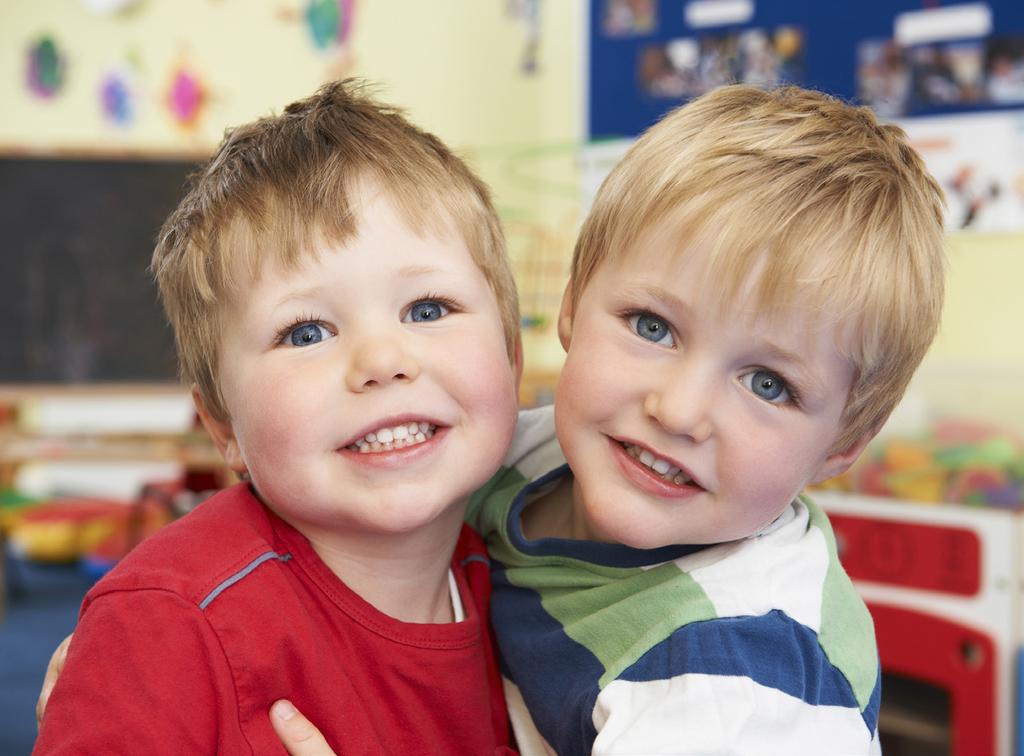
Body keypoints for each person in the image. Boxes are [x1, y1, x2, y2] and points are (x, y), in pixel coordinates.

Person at [264, 84, 946, 755]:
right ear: (572, 302)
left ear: (845, 444)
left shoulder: (735, 686)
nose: (677, 411)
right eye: (652, 326)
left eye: (767, 384)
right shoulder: (521, 454)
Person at [33, 79, 523, 755]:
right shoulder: (164, 626)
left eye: (428, 309)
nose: (382, 359)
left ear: (513, 355)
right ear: (223, 426)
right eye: (306, 332)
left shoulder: (532, 587)